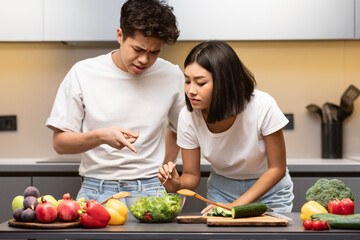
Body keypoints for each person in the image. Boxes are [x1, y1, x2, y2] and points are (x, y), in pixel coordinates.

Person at [46, 0, 185, 204]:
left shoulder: (172, 75)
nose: (144, 60)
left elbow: (179, 128)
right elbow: (60, 143)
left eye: (154, 52)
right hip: (96, 190)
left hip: (151, 189)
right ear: (120, 35)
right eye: (138, 49)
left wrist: (166, 166)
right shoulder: (83, 73)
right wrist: (102, 136)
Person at [158, 40, 294, 214]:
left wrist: (235, 205)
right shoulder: (188, 116)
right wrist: (177, 184)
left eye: (200, 83)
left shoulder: (263, 105)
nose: (191, 90)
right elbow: (191, 175)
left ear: (225, 82)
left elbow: (277, 169)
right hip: (222, 191)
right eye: (187, 81)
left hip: (269, 190)